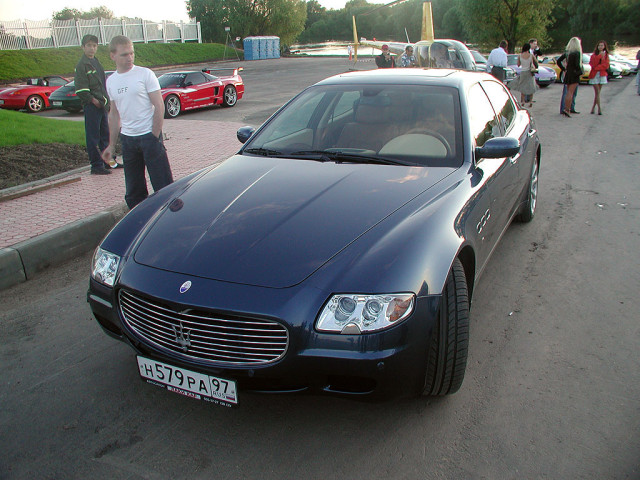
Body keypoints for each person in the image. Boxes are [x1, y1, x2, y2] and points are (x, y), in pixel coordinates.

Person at [101, 35, 173, 209]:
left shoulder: (144, 74)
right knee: (134, 193)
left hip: (149, 137)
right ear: (113, 55)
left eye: (132, 53)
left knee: (164, 189)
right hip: (128, 140)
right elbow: (114, 114)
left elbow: (159, 106)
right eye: (125, 54)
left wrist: (154, 135)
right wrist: (111, 145)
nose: (130, 58)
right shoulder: (111, 81)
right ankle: (141, 224)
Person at [75, 34, 112, 175]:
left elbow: (102, 84)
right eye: (89, 45)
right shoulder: (82, 65)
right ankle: (96, 166)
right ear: (83, 47)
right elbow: (81, 90)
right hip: (92, 106)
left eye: (94, 46)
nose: (92, 48)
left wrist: (106, 102)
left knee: (105, 135)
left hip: (102, 105)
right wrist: (93, 101)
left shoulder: (96, 62)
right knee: (93, 137)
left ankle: (108, 162)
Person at [509, 43, 538, 108]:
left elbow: (518, 64)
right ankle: (530, 101)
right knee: (531, 87)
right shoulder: (531, 55)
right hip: (530, 73)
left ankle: (523, 101)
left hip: (523, 72)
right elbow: (536, 63)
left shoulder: (520, 56)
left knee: (523, 87)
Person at [560, 37, 583, 118]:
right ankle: (568, 109)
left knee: (567, 92)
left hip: (568, 73)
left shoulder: (567, 53)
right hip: (574, 74)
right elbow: (577, 65)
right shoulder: (577, 53)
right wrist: (580, 72)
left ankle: (566, 108)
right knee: (571, 92)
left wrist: (564, 69)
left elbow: (559, 61)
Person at [588, 40, 609, 115]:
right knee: (597, 92)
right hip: (594, 75)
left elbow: (606, 65)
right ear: (597, 47)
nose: (600, 47)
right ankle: (599, 109)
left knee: (598, 93)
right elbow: (592, 64)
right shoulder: (594, 55)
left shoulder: (606, 55)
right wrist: (600, 56)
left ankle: (593, 108)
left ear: (604, 47)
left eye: (602, 45)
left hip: (602, 74)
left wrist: (597, 67)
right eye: (599, 45)